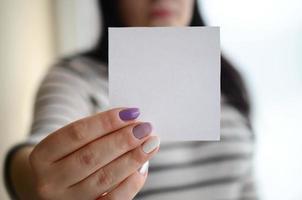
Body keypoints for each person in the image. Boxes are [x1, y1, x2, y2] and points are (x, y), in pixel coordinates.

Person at [4, 0, 258, 199]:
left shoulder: (225, 76)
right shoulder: (76, 77)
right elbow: (38, 152)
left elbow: (247, 186)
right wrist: (30, 179)